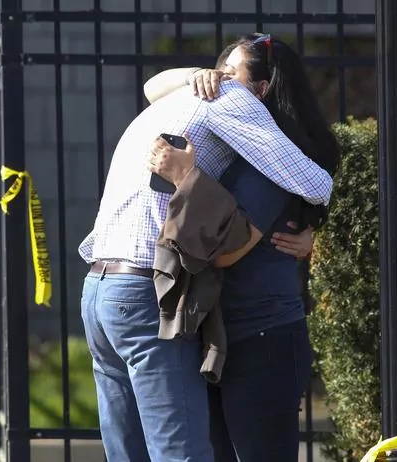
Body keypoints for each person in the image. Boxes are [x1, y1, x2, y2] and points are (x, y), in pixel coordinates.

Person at [78, 31, 333, 461]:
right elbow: (316, 182)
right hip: (148, 295)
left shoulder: (181, 109)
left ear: (263, 89)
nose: (215, 79)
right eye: (216, 71)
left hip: (100, 290)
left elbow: (307, 183)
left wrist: (315, 232)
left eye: (228, 72)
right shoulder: (227, 100)